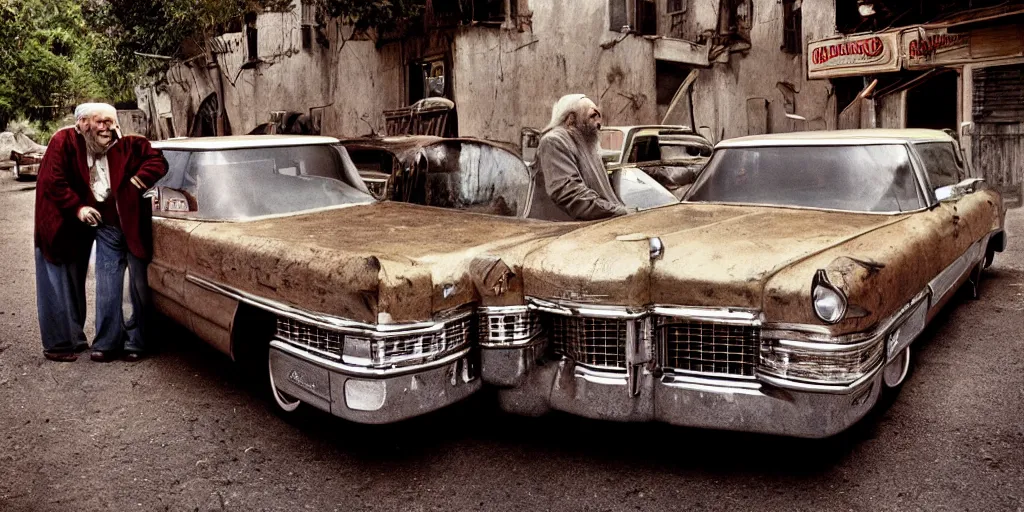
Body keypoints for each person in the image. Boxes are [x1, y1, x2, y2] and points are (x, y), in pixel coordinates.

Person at [34, 103, 168, 362]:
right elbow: (55, 181)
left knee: (94, 285)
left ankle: (87, 339)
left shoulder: (124, 144)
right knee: (63, 285)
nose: (106, 127)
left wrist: (135, 183)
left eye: (111, 121)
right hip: (58, 224)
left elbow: (157, 161)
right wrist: (78, 208)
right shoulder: (64, 140)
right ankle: (63, 345)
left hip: (94, 227)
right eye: (100, 122)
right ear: (83, 123)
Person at [532, 94, 628, 221]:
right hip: (563, 231)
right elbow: (569, 194)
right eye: (592, 116)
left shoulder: (587, 144)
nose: (599, 123)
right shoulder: (553, 142)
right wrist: (617, 211)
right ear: (571, 119)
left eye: (599, 117)